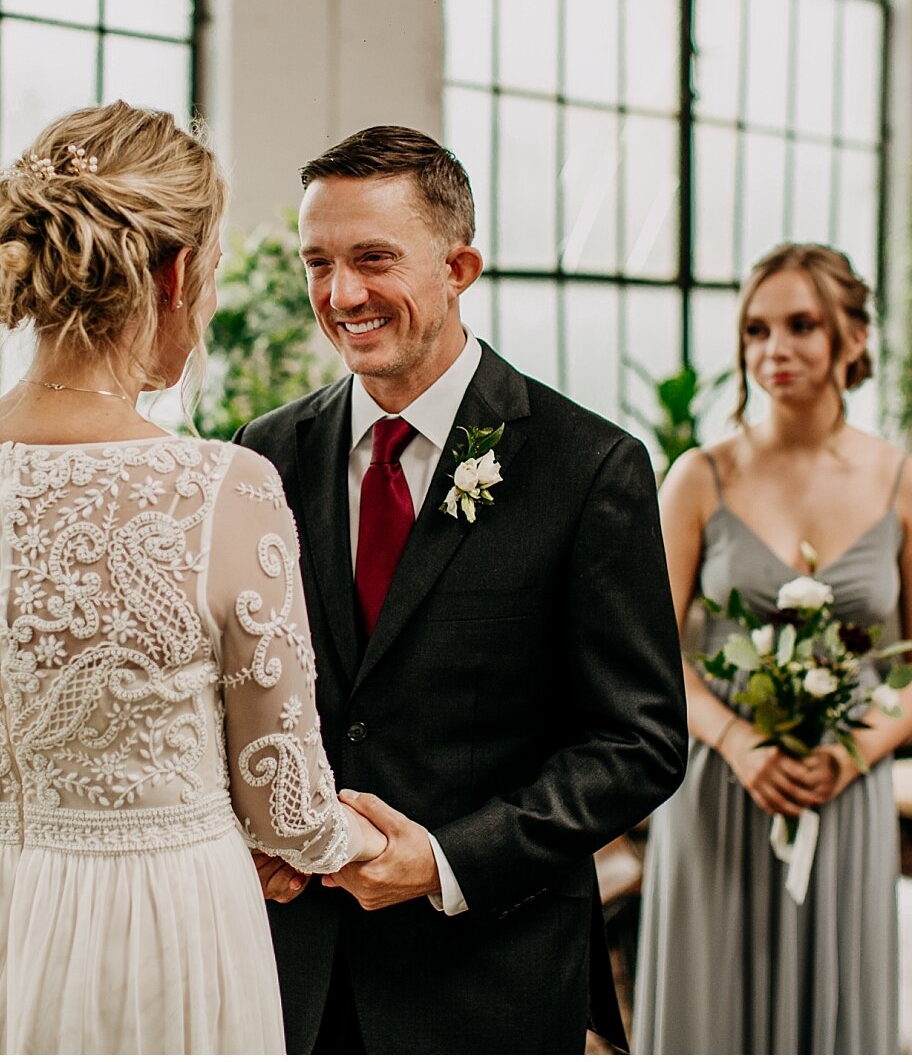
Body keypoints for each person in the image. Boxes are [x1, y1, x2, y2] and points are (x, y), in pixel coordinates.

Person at [0, 102, 389, 1054]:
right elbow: (286, 799)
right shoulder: (215, 486)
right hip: (152, 927)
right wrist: (365, 846)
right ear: (175, 272)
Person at [236, 126, 688, 1054]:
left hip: (490, 974)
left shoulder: (588, 465)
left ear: (460, 266)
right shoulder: (263, 454)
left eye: (373, 258)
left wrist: (443, 860)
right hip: (290, 974)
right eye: (317, 261)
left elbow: (637, 742)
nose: (341, 294)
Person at [630, 243, 912, 1053]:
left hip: (848, 786)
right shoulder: (699, 477)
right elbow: (652, 650)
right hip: (720, 783)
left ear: (852, 339)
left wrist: (853, 752)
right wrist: (740, 743)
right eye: (757, 330)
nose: (775, 349)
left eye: (803, 325)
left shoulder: (905, 482)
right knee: (715, 1008)